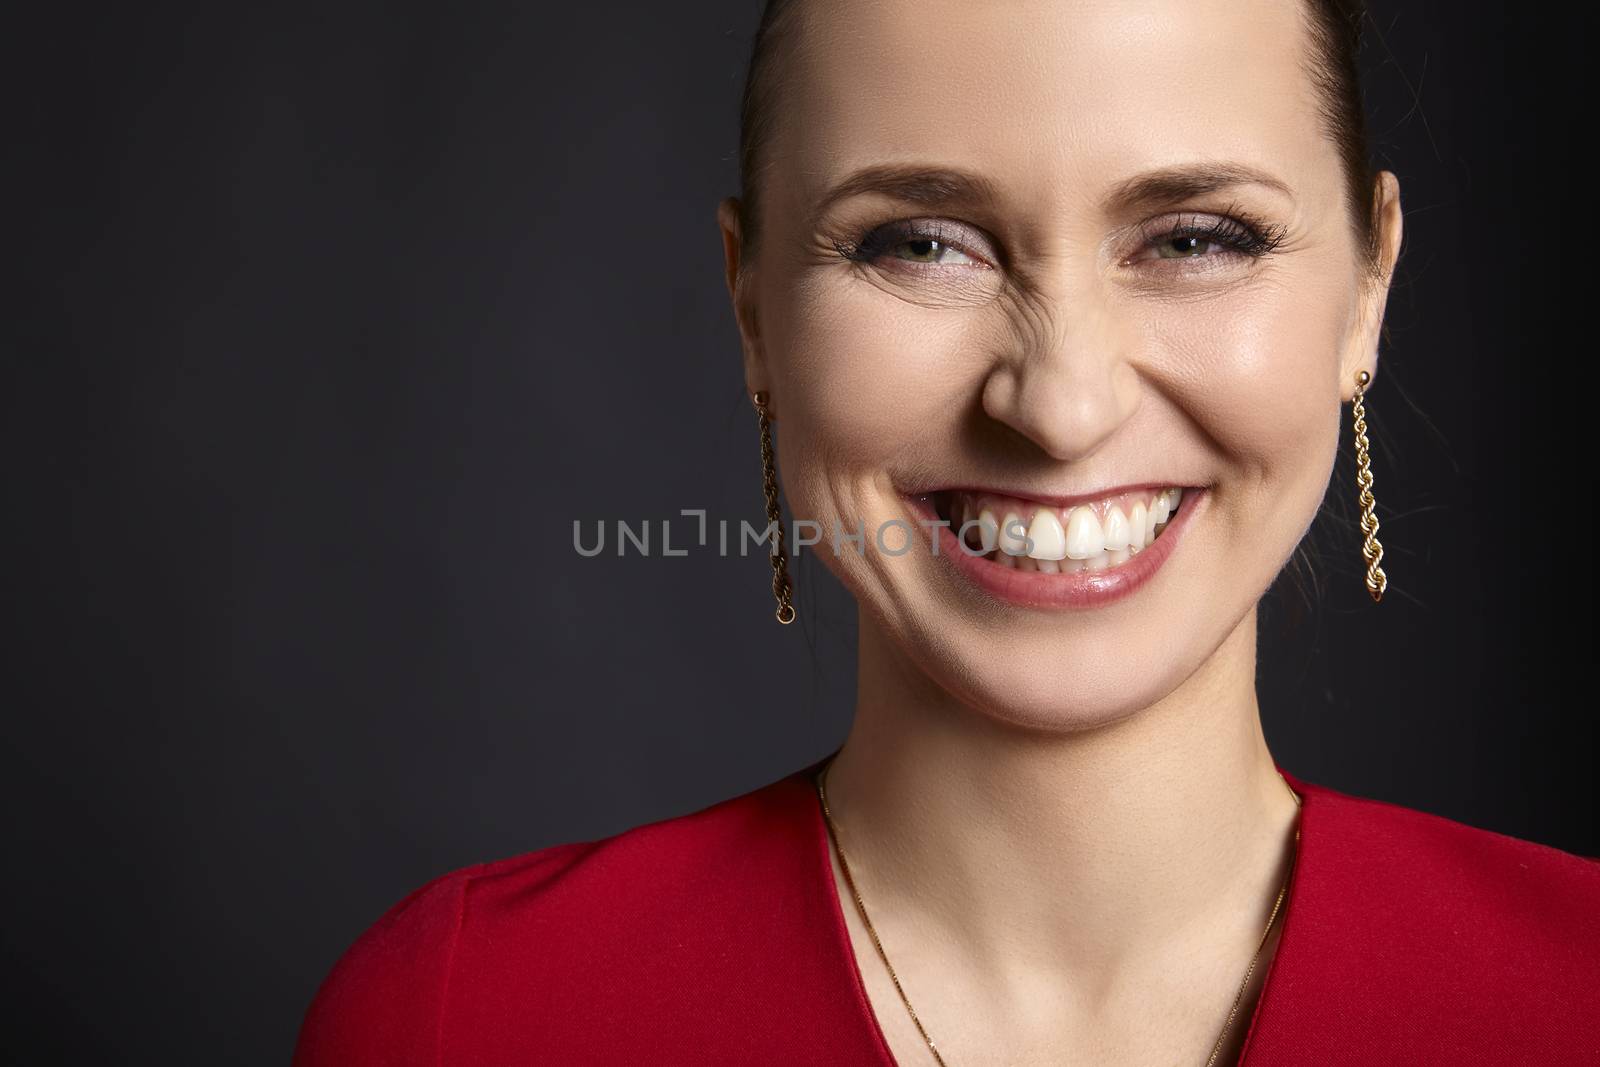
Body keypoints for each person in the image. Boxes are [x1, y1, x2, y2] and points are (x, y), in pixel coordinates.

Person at [292, 1, 1600, 1063]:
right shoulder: (470, 1021)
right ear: (753, 312)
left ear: (1368, 287)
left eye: (1196, 237)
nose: (1062, 404)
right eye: (919, 243)